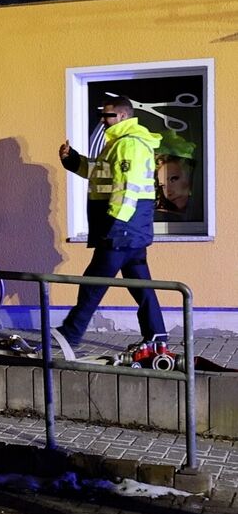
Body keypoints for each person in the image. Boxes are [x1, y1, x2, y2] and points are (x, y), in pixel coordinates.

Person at [55, 95, 168, 347]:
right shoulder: (118, 143)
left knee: (93, 282)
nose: (102, 120)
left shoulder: (128, 144)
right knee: (141, 286)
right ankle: (157, 335)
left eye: (108, 115)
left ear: (123, 116)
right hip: (131, 229)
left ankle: (70, 333)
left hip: (122, 229)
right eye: (101, 116)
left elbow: (127, 188)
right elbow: (100, 173)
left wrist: (115, 224)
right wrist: (72, 159)